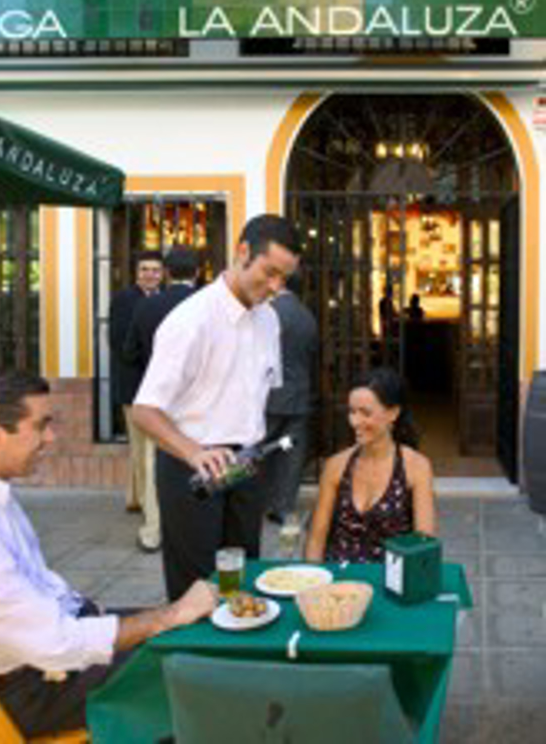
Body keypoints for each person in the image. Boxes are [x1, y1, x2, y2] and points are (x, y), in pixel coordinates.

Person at [0, 367, 217, 739]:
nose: (52, 437)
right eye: (41, 425)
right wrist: (168, 616)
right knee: (202, 674)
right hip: (37, 689)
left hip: (52, 657)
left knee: (203, 635)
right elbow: (55, 644)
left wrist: (147, 618)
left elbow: (44, 598)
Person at [132, 214, 301, 600]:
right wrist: (194, 453)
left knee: (243, 580)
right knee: (196, 588)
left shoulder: (270, 321)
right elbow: (145, 410)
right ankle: (190, 659)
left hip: (246, 465)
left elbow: (260, 396)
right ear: (242, 252)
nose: (276, 287)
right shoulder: (191, 320)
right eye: (269, 272)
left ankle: (236, 656)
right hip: (193, 465)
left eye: (284, 279)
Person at [305, 367, 436, 564]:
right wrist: (312, 582)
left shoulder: (416, 467)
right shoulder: (336, 465)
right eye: (352, 412)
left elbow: (423, 544)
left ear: (393, 413)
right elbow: (316, 541)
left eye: (365, 413)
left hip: (390, 583)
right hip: (338, 584)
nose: (354, 422)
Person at [123, 246, 200, 552]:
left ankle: (154, 531)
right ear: (197, 272)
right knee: (196, 458)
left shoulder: (148, 306)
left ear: (167, 272)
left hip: (156, 397)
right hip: (196, 398)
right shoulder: (205, 304)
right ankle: (191, 526)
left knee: (155, 460)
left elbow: (129, 352)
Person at [108, 250, 163, 512]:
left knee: (141, 447)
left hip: (157, 387)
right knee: (141, 447)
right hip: (134, 384)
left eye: (155, 270)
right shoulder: (123, 299)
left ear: (163, 273)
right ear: (136, 272)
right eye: (145, 269)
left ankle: (132, 496)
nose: (150, 274)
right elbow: (118, 343)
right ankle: (142, 500)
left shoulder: (163, 299)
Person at [264, 272, 318, 524]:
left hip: (269, 396)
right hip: (299, 394)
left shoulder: (267, 313)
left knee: (259, 450)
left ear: (279, 283)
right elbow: (312, 354)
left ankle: (254, 501)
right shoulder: (307, 316)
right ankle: (283, 505)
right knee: (291, 451)